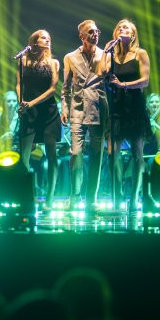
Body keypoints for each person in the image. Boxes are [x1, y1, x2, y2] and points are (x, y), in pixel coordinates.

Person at [100, 19, 151, 213]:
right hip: (117, 108)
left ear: (133, 34)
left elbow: (145, 81)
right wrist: (107, 52)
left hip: (135, 106)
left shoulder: (140, 53)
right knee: (112, 153)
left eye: (126, 28)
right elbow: (102, 72)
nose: (123, 29)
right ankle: (119, 191)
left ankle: (135, 195)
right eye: (120, 27)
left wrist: (123, 85)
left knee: (137, 154)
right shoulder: (111, 53)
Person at [61, 20, 109, 212]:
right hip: (78, 109)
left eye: (97, 31)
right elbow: (65, 88)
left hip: (98, 107)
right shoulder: (70, 57)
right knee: (76, 153)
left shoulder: (104, 55)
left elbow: (107, 79)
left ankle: (92, 199)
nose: (95, 34)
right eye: (91, 32)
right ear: (82, 36)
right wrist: (64, 108)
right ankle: (74, 195)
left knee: (97, 155)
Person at [16, 30, 61, 209]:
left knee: (51, 155)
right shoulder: (23, 60)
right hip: (28, 111)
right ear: (34, 41)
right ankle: (28, 195)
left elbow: (52, 89)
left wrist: (31, 103)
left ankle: (50, 198)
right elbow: (19, 84)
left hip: (48, 111)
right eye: (43, 38)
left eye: (49, 39)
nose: (47, 41)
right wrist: (21, 102)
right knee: (24, 156)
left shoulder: (53, 62)